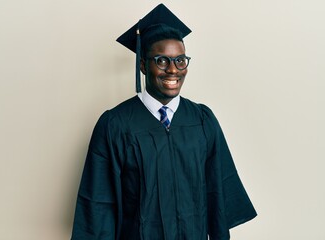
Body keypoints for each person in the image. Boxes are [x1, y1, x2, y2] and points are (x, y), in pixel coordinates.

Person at [71, 4, 256, 240]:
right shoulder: (115, 125)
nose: (173, 70)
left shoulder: (202, 120)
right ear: (142, 65)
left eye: (180, 60)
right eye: (161, 60)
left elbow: (218, 192)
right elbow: (99, 206)